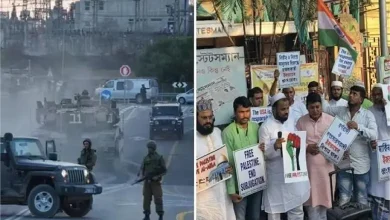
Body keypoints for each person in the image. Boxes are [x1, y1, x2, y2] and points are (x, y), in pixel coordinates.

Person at [323, 81, 377, 206]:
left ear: (361, 99)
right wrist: (321, 94)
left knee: (362, 199)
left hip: (361, 165)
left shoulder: (367, 115)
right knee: (344, 198)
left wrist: (358, 127)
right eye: (350, 93)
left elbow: (374, 134)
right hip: (343, 164)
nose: (351, 96)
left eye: (354, 94)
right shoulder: (341, 111)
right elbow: (325, 109)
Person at [258, 93, 310, 220]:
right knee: (275, 211)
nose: (286, 112)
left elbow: (299, 142)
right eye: (282, 109)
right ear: (274, 109)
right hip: (276, 177)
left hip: (293, 173)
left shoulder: (292, 120)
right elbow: (263, 154)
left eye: (287, 108)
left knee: (297, 210)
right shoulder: (265, 127)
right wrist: (274, 147)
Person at [222, 96, 263, 220]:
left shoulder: (256, 127)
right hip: (238, 186)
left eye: (247, 111)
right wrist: (231, 190)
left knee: (255, 216)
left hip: (256, 182)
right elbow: (227, 162)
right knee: (240, 217)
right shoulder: (227, 132)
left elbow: (261, 154)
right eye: (241, 112)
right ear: (235, 113)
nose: (245, 115)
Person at [296, 92, 335, 220]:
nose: (315, 110)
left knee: (325, 202)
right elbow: (296, 141)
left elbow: (336, 141)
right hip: (309, 169)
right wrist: (307, 147)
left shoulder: (330, 120)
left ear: (321, 106)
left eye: (317, 107)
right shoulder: (301, 122)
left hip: (326, 168)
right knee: (311, 204)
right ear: (307, 107)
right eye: (312, 107)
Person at [196, 99, 236, 220]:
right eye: (203, 118)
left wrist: (228, 168)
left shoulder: (218, 133)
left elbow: (224, 159)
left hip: (223, 194)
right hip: (203, 199)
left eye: (210, 117)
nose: (208, 121)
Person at [367, 83, 390, 220]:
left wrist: (387, 109)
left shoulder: (389, 109)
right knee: (376, 189)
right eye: (374, 94)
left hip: (388, 155)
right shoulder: (368, 111)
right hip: (375, 155)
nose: (376, 97)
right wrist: (371, 141)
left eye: (379, 94)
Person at [139, 141, 167, 220]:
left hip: (155, 182)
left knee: (158, 198)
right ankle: (147, 215)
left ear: (153, 149)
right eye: (148, 148)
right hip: (147, 182)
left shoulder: (159, 158)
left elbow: (164, 171)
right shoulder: (145, 158)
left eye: (150, 148)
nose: (149, 150)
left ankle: (160, 215)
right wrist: (143, 175)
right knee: (146, 199)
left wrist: (157, 176)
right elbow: (142, 168)